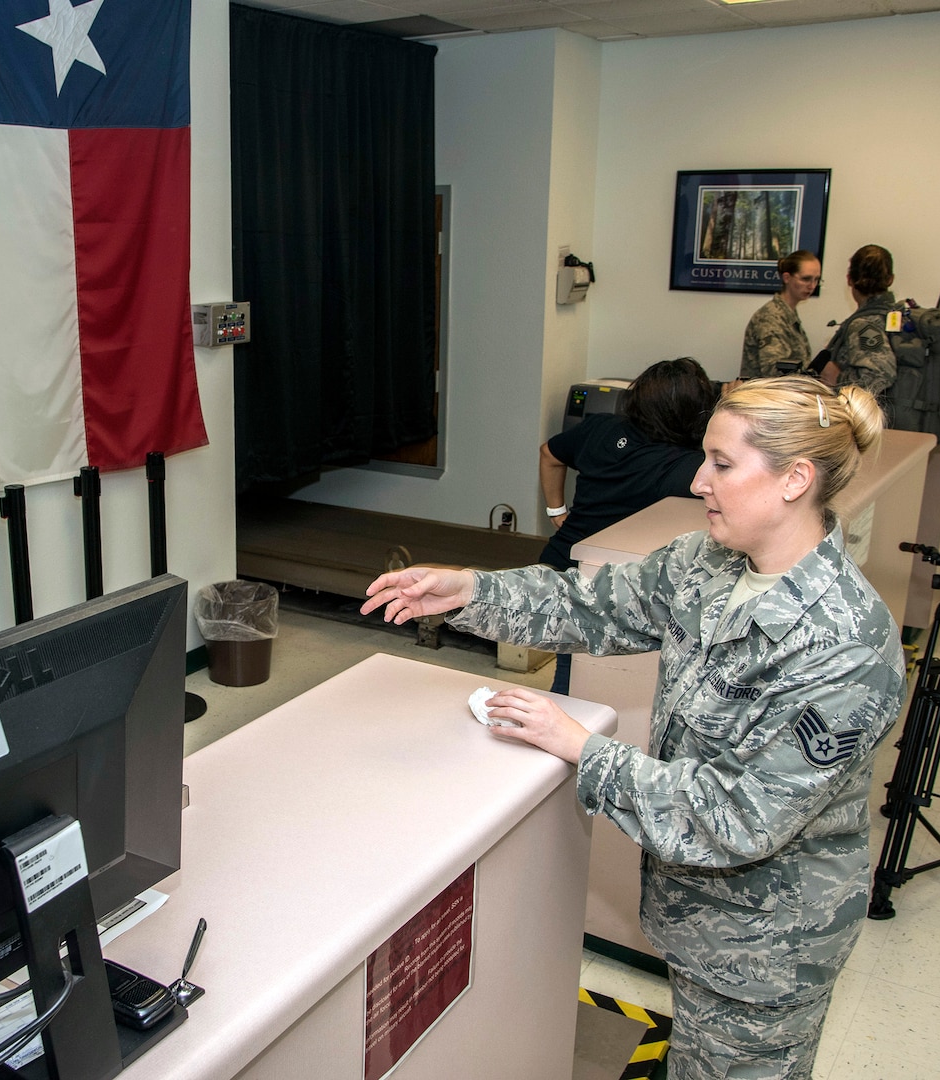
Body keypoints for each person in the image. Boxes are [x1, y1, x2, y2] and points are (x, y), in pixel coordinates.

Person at [364, 377, 902, 1079]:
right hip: (695, 917)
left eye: (721, 463)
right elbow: (587, 605)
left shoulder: (844, 644)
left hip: (767, 948)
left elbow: (739, 818)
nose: (700, 480)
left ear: (794, 479)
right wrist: (469, 589)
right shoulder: (708, 561)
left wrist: (582, 750)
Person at [539, 357, 717, 693]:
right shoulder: (691, 467)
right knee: (588, 684)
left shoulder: (600, 428)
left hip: (563, 563)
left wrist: (556, 509)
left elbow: (549, 453)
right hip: (619, 589)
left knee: (571, 666)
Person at [820, 244, 898, 397]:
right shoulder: (894, 317)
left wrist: (839, 379)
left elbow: (879, 375)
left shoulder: (864, 325)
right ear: (890, 280)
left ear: (849, 279)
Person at [740, 250, 820, 379]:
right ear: (787, 278)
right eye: (806, 279)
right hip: (767, 395)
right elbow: (775, 372)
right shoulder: (770, 318)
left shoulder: (788, 314)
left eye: (816, 279)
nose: (812, 286)